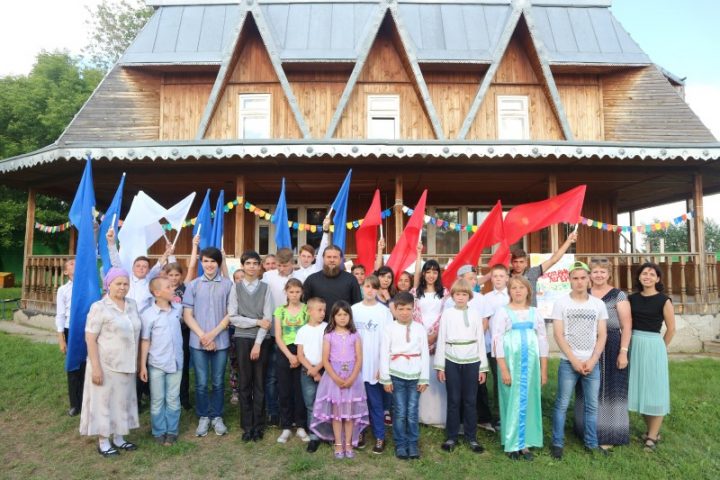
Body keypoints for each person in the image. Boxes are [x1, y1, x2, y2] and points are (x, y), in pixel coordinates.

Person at [79, 267, 141, 457]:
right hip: (105, 365)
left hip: (127, 363)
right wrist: (96, 368)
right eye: (118, 283)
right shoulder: (99, 307)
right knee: (104, 404)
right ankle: (104, 442)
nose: (122, 287)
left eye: (126, 284)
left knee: (122, 402)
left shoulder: (132, 304)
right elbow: (90, 338)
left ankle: (119, 438)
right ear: (108, 285)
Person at [550, 261, 608, 459]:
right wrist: (574, 360)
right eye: (575, 278)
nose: (580, 282)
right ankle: (557, 443)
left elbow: (602, 334)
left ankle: (591, 443)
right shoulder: (561, 303)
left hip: (592, 363)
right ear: (569, 280)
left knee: (592, 406)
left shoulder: (598, 304)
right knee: (562, 404)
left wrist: (593, 360)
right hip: (569, 362)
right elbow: (558, 335)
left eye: (583, 277)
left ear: (589, 278)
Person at [574, 257, 632, 449]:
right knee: (587, 388)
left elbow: (626, 326)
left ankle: (609, 434)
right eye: (595, 271)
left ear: (609, 274)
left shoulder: (618, 295)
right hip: (586, 346)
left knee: (610, 390)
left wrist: (623, 352)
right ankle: (586, 430)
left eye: (602, 271)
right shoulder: (584, 294)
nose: (598, 275)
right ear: (589, 274)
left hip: (612, 346)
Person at [492, 276, 548, 460]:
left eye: (521, 287)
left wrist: (543, 370)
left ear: (528, 291)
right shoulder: (503, 312)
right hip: (511, 364)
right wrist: (503, 369)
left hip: (531, 366)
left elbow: (542, 340)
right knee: (512, 401)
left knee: (529, 401)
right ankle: (512, 443)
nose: (518, 291)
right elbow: (497, 340)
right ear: (509, 291)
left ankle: (525, 443)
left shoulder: (535, 312)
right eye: (514, 288)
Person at [182, 247, 234, 438]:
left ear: (218, 263)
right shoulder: (193, 285)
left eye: (213, 261)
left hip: (220, 341)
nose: (209, 265)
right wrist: (203, 336)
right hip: (198, 342)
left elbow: (231, 313)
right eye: (205, 261)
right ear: (201, 262)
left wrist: (212, 335)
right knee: (202, 382)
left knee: (218, 382)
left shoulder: (228, 285)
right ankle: (204, 416)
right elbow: (187, 315)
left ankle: (217, 416)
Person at [434, 278, 488, 453]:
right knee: (454, 399)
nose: (460, 297)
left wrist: (482, 367)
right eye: (457, 294)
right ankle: (452, 436)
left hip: (472, 361)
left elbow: (480, 340)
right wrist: (440, 366)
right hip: (452, 359)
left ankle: (472, 437)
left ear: (469, 296)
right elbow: (441, 339)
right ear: (453, 295)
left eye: (464, 294)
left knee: (470, 400)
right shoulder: (447, 314)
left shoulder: (475, 314)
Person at [311, 301, 369, 459]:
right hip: (333, 379)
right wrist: (336, 378)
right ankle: (338, 444)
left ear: (350, 316)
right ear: (333, 317)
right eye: (339, 315)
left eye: (345, 314)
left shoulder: (355, 335)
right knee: (337, 414)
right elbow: (325, 359)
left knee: (349, 413)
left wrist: (352, 378)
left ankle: (348, 444)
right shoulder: (328, 336)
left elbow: (359, 359)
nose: (342, 318)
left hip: (352, 378)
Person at [628, 262, 675, 452]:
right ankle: (651, 430)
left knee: (654, 391)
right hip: (634, 344)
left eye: (651, 274)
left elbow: (671, 329)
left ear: (657, 279)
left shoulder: (664, 300)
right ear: (639, 277)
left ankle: (652, 437)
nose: (647, 276)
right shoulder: (631, 299)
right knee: (640, 388)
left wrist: (660, 348)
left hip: (654, 345)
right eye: (644, 273)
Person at [227, 250, 274, 442]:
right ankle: (247, 426)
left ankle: (259, 426)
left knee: (259, 383)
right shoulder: (236, 288)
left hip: (261, 341)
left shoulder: (265, 288)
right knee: (245, 382)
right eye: (248, 263)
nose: (252, 267)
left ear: (259, 266)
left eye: (255, 263)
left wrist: (258, 343)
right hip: (241, 339)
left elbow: (267, 319)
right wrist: (255, 322)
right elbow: (233, 317)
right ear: (243, 266)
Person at [379, 292, 430, 460]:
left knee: (412, 411)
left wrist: (424, 378)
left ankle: (412, 443)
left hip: (415, 375)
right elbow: (384, 354)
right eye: (400, 309)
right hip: (396, 374)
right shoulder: (389, 328)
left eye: (408, 309)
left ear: (413, 309)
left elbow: (425, 354)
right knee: (400, 411)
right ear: (395, 309)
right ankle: (400, 444)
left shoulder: (419, 328)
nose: (404, 312)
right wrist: (386, 379)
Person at [444, 264, 494, 432]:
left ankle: (482, 420)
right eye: (470, 278)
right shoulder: (449, 303)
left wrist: (474, 338)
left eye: (474, 278)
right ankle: (457, 425)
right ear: (460, 279)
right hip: (455, 353)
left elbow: (484, 321)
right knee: (456, 392)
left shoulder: (480, 299)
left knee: (478, 389)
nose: (473, 281)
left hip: (475, 350)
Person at [139, 277, 184, 446]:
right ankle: (159, 430)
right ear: (157, 293)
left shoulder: (178, 309)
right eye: (168, 287)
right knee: (157, 399)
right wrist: (142, 366)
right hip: (157, 364)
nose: (173, 289)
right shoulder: (148, 315)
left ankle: (172, 431)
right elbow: (145, 341)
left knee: (173, 398)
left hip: (176, 362)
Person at [352, 275, 394, 454]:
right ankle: (359, 433)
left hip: (375, 365)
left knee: (376, 404)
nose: (370, 290)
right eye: (367, 286)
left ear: (378, 290)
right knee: (358, 403)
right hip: (357, 365)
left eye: (374, 287)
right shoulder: (354, 309)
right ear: (362, 288)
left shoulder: (384, 312)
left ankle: (379, 436)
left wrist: (382, 367)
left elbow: (389, 340)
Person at [411, 254, 449, 427]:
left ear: (438, 274)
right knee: (421, 374)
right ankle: (421, 415)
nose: (431, 275)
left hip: (438, 337)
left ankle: (438, 415)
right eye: (428, 271)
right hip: (419, 338)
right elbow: (413, 314)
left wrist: (435, 334)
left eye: (435, 272)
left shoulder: (445, 293)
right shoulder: (415, 293)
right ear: (424, 273)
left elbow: (445, 315)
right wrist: (422, 336)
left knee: (435, 375)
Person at [263, 248, 297, 427]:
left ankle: (292, 412)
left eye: (285, 265)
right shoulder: (268, 277)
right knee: (272, 375)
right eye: (279, 265)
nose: (281, 269)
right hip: (272, 330)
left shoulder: (300, 277)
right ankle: (273, 412)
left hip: (293, 333)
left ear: (292, 263)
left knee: (292, 376)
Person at [274, 278, 310, 444]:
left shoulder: (307, 309)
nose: (294, 295)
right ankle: (286, 425)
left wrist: (299, 356)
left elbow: (309, 332)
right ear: (286, 293)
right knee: (284, 389)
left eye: (297, 292)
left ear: (302, 292)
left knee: (300, 389)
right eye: (291, 292)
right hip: (285, 351)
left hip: (302, 350)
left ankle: (301, 425)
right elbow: (278, 336)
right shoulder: (280, 311)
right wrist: (290, 356)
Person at [508, 231, 578, 306]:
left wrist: (568, 241)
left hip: (531, 312)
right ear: (511, 263)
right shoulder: (506, 277)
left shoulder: (532, 272)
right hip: (511, 311)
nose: (518, 265)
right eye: (515, 262)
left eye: (521, 262)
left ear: (526, 263)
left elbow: (553, 260)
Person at [296, 297, 328, 453]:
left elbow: (329, 352)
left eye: (324, 310)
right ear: (309, 311)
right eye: (319, 310)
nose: (323, 313)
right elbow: (300, 355)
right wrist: (312, 370)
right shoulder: (302, 331)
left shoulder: (327, 328)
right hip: (307, 372)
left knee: (326, 403)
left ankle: (327, 434)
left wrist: (318, 369)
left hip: (325, 371)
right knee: (311, 405)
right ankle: (314, 437)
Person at [480, 264, 510, 430]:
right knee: (493, 379)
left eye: (501, 276)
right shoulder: (486, 298)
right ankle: (492, 415)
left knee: (506, 378)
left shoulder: (511, 296)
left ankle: (506, 413)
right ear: (491, 278)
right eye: (495, 276)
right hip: (490, 344)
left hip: (508, 345)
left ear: (507, 278)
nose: (498, 279)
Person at [55, 258, 84, 417]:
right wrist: (61, 338)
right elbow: (60, 315)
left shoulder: (89, 286)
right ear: (66, 272)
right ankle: (75, 404)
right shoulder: (63, 290)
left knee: (87, 365)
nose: (76, 264)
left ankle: (87, 401)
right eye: (72, 263)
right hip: (71, 329)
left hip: (88, 329)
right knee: (73, 367)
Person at [303, 245, 362, 322]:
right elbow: (304, 305)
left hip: (344, 326)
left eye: (335, 257)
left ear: (341, 259)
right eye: (329, 257)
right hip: (318, 326)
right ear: (323, 258)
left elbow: (358, 306)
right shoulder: (311, 280)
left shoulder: (351, 279)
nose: (332, 260)